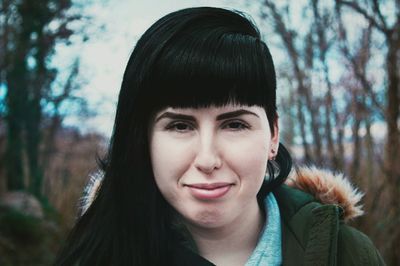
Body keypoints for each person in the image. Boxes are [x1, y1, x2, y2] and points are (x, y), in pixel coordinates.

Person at [55, 7, 385, 266]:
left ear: (273, 135)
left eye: (234, 125)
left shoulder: (347, 254)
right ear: (143, 139)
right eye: (180, 126)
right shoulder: (97, 256)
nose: (208, 160)